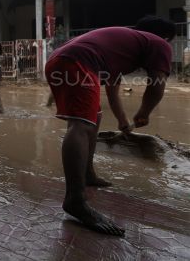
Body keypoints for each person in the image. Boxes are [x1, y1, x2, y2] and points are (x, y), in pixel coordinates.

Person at [45, 16, 175, 236]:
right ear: (165, 37)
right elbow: (157, 84)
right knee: (81, 125)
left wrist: (123, 120)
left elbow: (112, 90)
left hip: (61, 59)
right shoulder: (158, 43)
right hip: (76, 60)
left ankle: (87, 175)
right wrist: (144, 113)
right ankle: (75, 200)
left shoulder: (119, 46)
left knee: (93, 117)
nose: (168, 47)